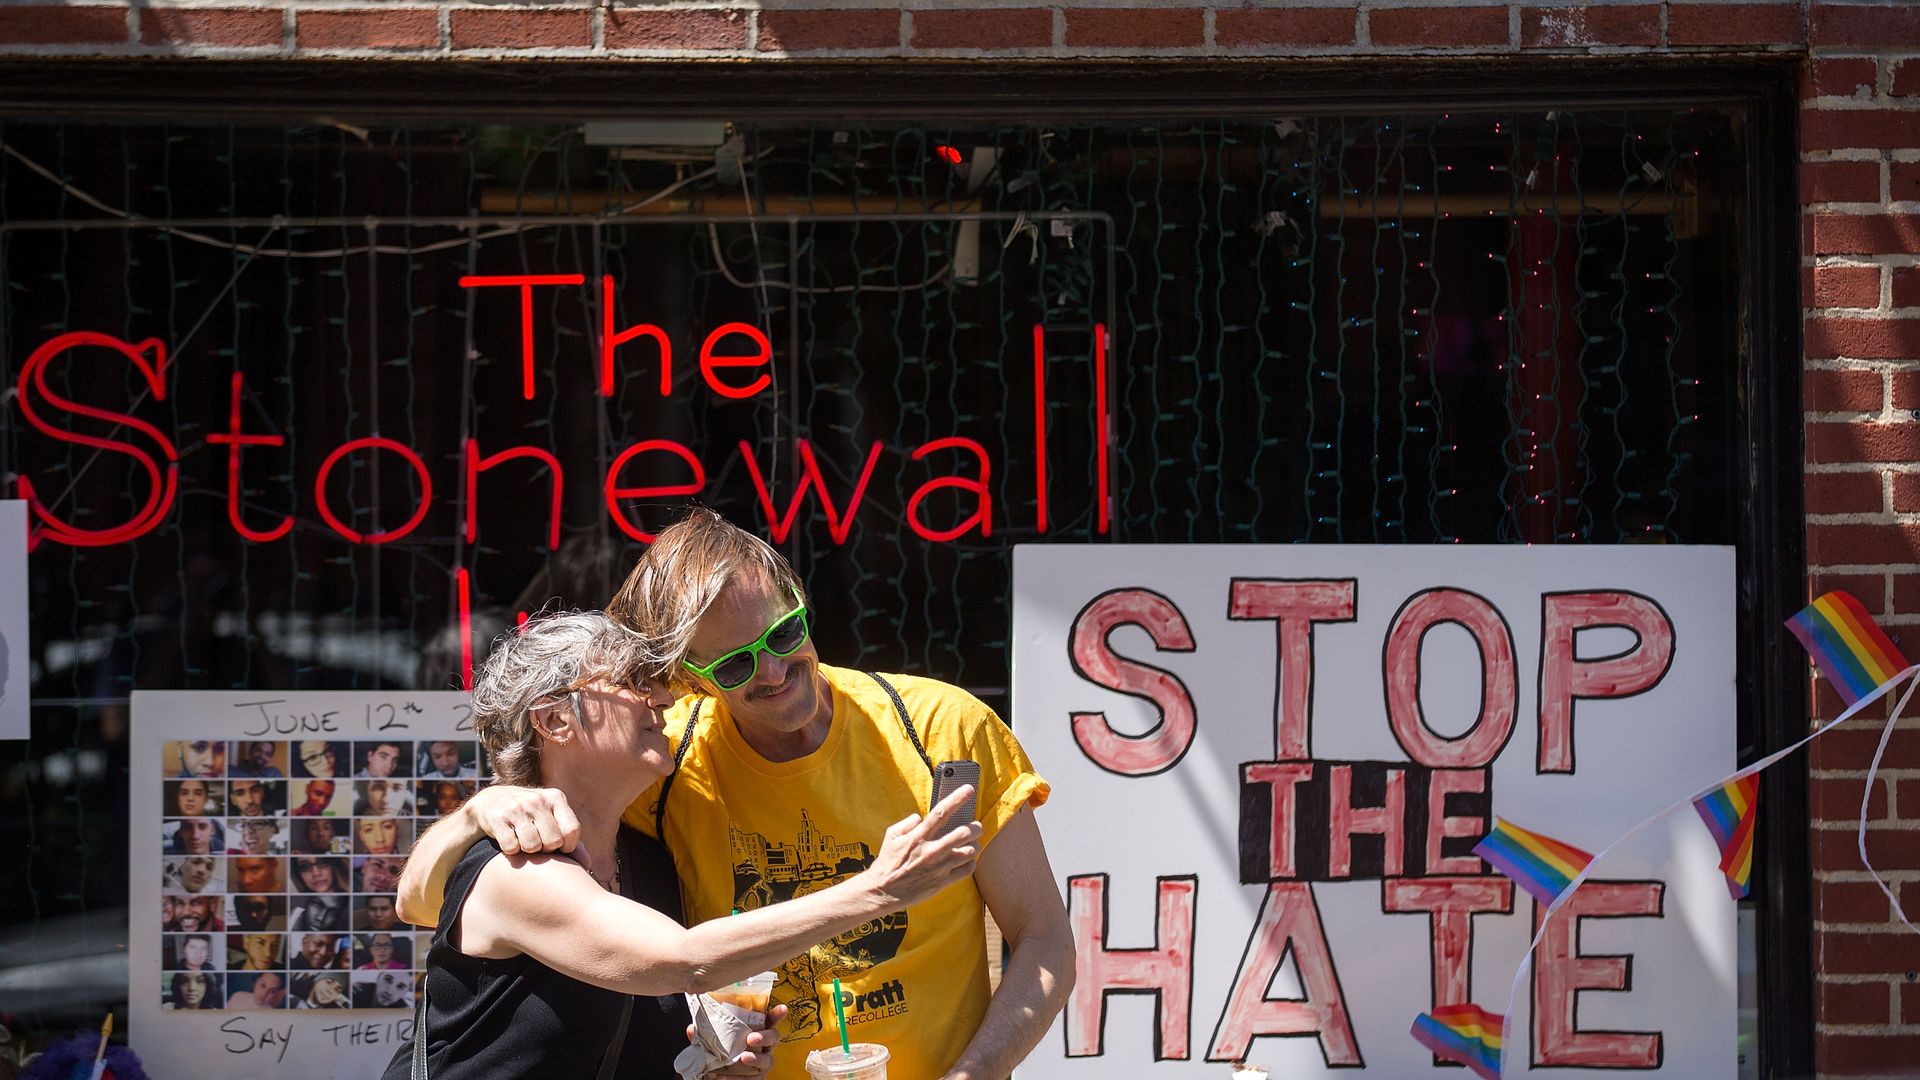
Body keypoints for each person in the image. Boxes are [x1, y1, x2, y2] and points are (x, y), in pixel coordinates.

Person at [400, 509, 1073, 1080]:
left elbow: (1043, 937)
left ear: (799, 599)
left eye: (784, 633)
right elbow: (429, 901)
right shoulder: (668, 766)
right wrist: (478, 809)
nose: (776, 671)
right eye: (734, 664)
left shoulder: (940, 728)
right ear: (692, 674)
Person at [383, 610, 981, 1080]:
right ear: (556, 721)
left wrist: (715, 1065)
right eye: (632, 684)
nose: (665, 699)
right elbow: (681, 960)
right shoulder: (515, 868)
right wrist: (879, 889)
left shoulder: (650, 861)